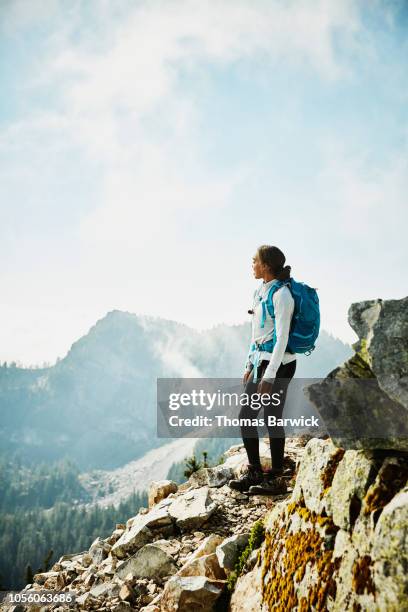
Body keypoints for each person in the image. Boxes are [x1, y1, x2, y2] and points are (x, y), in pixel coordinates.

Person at [228, 245, 297, 494]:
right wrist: (249, 363)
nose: (252, 264)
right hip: (261, 361)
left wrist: (269, 375)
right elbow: (256, 334)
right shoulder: (260, 292)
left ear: (266, 265)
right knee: (247, 416)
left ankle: (277, 479)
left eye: (254, 261)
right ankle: (255, 471)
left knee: (271, 417)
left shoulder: (282, 296)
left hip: (280, 365)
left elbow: (281, 338)